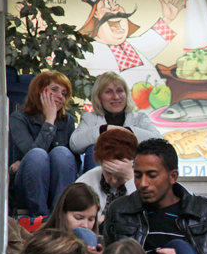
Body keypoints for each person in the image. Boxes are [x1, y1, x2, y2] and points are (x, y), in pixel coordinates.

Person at [76, 0, 184, 89]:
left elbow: (151, 40)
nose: (115, 8)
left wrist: (168, 19)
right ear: (95, 15)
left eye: (115, 2)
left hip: (160, 102)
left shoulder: (132, 45)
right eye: (107, 4)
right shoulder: (90, 50)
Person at [10, 70, 80, 216]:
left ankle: (58, 216)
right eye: (54, 90)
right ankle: (40, 218)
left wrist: (21, 161)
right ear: (39, 91)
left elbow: (73, 164)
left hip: (59, 189)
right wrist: (50, 120)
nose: (60, 96)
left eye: (64, 93)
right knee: (37, 155)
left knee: (62, 152)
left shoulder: (68, 121)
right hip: (27, 189)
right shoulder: (19, 118)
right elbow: (33, 155)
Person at [70, 71, 160, 172]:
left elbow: (159, 142)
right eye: (109, 92)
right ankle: (95, 188)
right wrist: (104, 130)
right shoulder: (90, 118)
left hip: (132, 175)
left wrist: (125, 132)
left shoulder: (140, 118)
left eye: (120, 91)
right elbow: (75, 144)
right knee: (93, 149)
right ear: (99, 97)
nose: (116, 97)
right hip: (100, 175)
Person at [76, 127, 138, 225]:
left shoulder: (141, 180)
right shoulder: (89, 179)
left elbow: (145, 213)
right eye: (108, 173)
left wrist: (129, 178)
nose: (113, 181)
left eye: (119, 175)